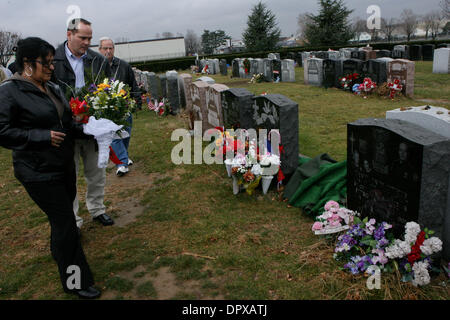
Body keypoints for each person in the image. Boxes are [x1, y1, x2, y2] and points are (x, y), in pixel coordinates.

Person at [0, 37, 100, 299]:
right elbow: (2, 131)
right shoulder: (9, 91)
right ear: (27, 64)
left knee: (62, 221)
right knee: (66, 223)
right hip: (37, 172)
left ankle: (60, 252)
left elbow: (65, 125)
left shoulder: (52, 87)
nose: (51, 67)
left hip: (62, 166)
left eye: (51, 62)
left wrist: (93, 130)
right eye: (45, 63)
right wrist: (40, 137)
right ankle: (76, 281)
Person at [53, 18, 114, 229]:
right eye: (83, 37)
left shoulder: (98, 61)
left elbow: (107, 91)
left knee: (96, 172)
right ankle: (74, 220)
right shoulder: (54, 60)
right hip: (65, 129)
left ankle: (97, 209)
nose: (87, 42)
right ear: (69, 34)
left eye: (90, 38)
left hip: (92, 129)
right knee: (69, 176)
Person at [98, 37, 140, 176]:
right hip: (105, 109)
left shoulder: (124, 65)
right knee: (113, 136)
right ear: (100, 49)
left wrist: (137, 100)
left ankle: (124, 157)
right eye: (105, 48)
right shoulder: (96, 67)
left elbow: (132, 83)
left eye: (111, 48)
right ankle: (121, 163)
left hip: (124, 106)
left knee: (125, 133)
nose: (108, 51)